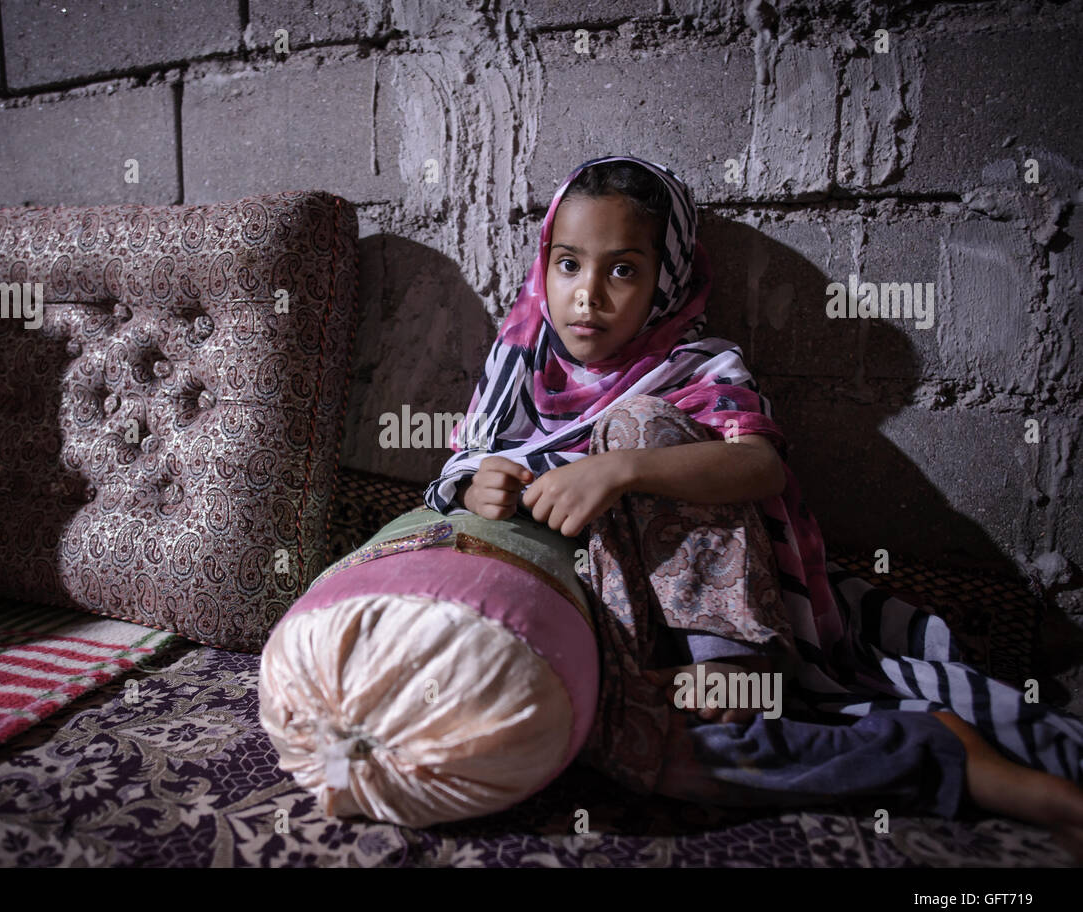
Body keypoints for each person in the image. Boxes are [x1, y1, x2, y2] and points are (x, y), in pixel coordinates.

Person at [423, 154, 1083, 861]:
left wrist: (619, 469)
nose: (587, 295)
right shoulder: (519, 359)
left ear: (666, 276)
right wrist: (473, 485)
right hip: (621, 635)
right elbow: (463, 459)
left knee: (638, 422)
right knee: (640, 753)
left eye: (622, 270)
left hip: (721, 633)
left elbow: (759, 461)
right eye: (568, 264)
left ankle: (734, 663)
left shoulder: (694, 362)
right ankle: (936, 755)